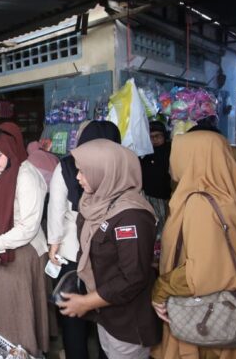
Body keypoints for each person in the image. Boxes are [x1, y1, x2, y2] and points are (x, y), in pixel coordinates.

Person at [151, 131, 236, 359]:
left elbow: (200, 273)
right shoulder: (226, 195)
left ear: (193, 157)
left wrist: (160, 289)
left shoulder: (200, 203)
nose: (172, 161)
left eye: (177, 153)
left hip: (207, 323)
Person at [58, 139, 161, 359]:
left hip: (127, 321)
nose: (78, 178)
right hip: (105, 312)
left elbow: (132, 278)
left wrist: (86, 302)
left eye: (84, 172)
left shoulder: (131, 216)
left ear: (106, 172)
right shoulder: (97, 202)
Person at [47, 120, 120, 359]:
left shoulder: (66, 166)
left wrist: (54, 245)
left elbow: (56, 210)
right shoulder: (121, 167)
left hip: (73, 252)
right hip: (109, 254)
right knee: (106, 314)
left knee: (73, 316)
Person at [0, 122, 50, 357]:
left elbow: (28, 227)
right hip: (0, 250)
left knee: (19, 312)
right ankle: (3, 349)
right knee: (2, 308)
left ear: (11, 148)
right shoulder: (0, 172)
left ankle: (24, 353)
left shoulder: (26, 175)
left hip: (22, 253)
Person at [139, 121, 171, 235]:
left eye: (158, 136)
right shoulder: (144, 152)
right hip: (148, 195)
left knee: (165, 224)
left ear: (164, 136)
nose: (155, 139)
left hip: (165, 195)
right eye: (151, 137)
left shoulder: (170, 151)